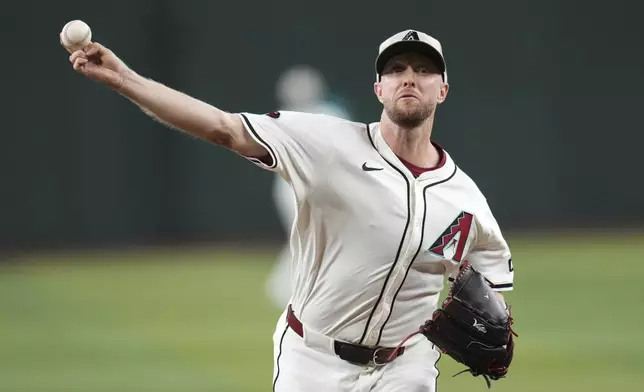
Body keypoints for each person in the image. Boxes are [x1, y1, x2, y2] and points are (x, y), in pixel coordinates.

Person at [62, 28, 515, 391]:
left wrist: (492, 314)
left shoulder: (465, 199)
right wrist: (126, 80)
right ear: (379, 88)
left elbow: (491, 282)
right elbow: (223, 127)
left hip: (406, 366)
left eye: (424, 70)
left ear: (444, 89)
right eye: (396, 69)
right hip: (313, 360)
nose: (409, 78)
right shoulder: (327, 142)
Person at [267, 64, 353, 308]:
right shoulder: (282, 119)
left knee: (317, 237)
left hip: (322, 186)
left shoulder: (330, 112)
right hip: (290, 186)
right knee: (304, 236)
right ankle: (285, 288)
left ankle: (287, 287)